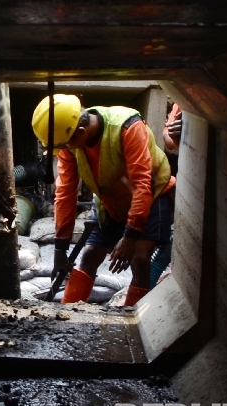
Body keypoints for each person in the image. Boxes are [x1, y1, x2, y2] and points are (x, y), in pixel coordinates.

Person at [30, 93, 175, 306]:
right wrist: (60, 250)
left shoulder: (127, 127)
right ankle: (67, 314)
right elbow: (65, 193)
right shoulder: (70, 144)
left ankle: (132, 321)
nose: (64, 150)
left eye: (65, 145)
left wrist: (130, 237)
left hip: (151, 197)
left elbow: (143, 184)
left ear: (80, 133)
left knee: (140, 259)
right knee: (89, 256)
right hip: (110, 203)